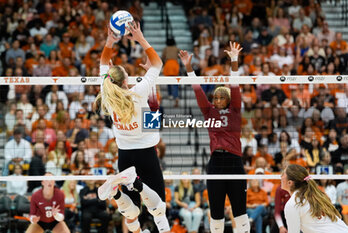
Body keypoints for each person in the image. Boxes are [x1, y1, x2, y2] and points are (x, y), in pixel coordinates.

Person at [96, 22, 170, 233]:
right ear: (126, 79)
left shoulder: (107, 96)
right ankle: (136, 185)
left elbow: (103, 63)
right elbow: (157, 64)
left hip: (125, 154)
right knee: (159, 207)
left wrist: (110, 41)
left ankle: (117, 194)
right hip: (146, 151)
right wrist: (140, 38)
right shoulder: (137, 91)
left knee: (132, 212)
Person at [179, 42, 250, 233]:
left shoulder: (235, 110)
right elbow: (197, 90)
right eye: (215, 98)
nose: (217, 100)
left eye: (221, 97)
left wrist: (234, 60)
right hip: (216, 162)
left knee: (240, 212)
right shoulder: (209, 112)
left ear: (228, 99)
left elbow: (234, 85)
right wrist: (188, 67)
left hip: (235, 162)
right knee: (216, 212)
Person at [281, 164, 348, 233]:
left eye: (283, 174)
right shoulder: (315, 195)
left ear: (290, 183)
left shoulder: (293, 204)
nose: (281, 176)